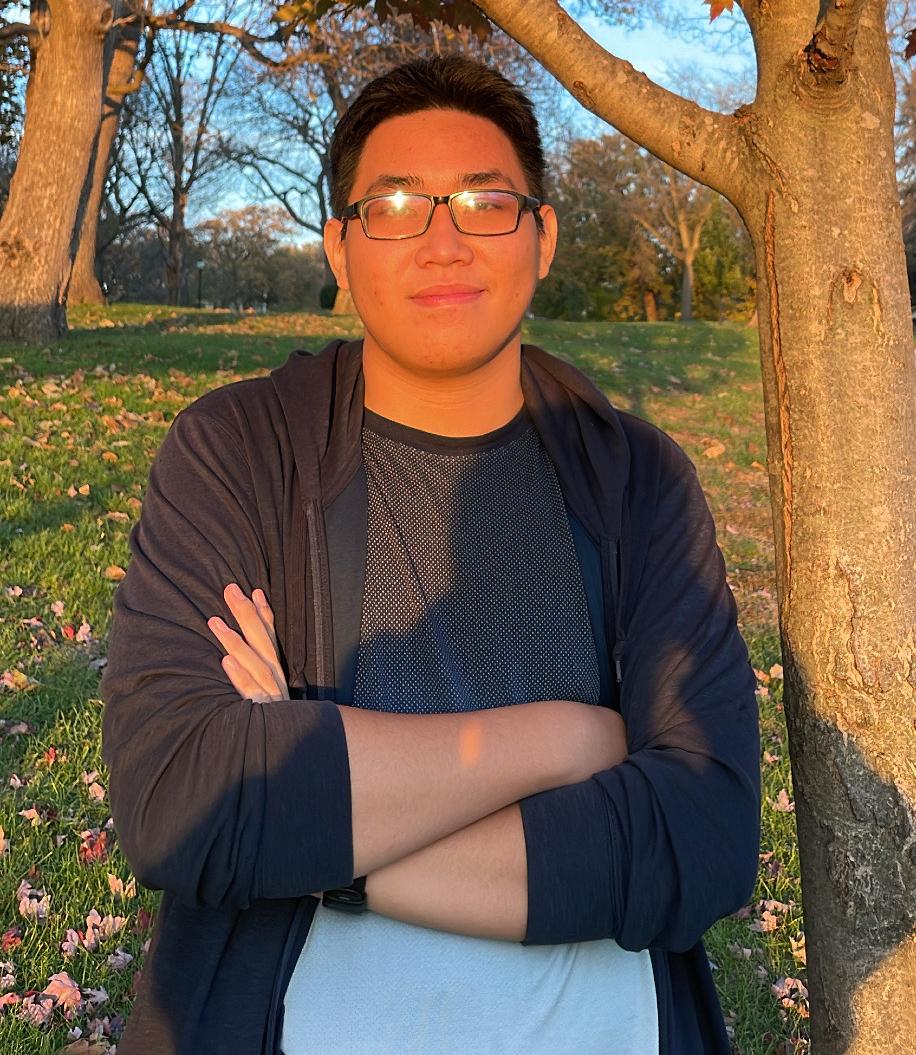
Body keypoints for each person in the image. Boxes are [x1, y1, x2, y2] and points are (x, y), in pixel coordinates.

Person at [102, 55, 760, 1055]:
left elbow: (702, 837)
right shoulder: (239, 451)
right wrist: (568, 740)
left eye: (486, 204)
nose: (443, 241)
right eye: (396, 206)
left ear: (542, 238)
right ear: (340, 246)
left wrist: (316, 836)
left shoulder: (636, 479)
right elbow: (181, 797)